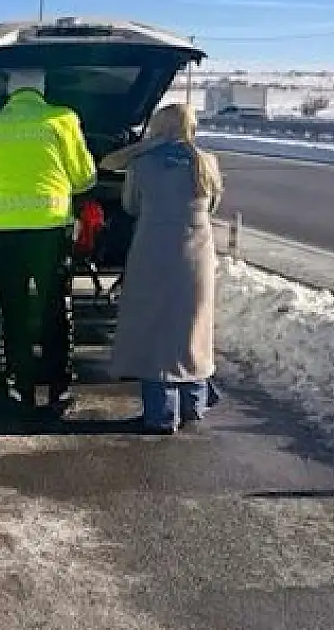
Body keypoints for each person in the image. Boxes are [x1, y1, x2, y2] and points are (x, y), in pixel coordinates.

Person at [0, 69, 97, 413]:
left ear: (9, 91)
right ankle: (59, 389)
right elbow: (85, 178)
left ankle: (20, 388)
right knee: (54, 310)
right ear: (43, 90)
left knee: (13, 310)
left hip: (6, 234)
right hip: (50, 232)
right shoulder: (63, 119)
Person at [100, 103, 224, 435]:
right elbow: (212, 205)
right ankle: (193, 406)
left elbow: (130, 205)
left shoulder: (142, 163)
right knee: (192, 325)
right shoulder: (206, 163)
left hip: (153, 249)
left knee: (154, 327)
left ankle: (160, 414)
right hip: (197, 252)